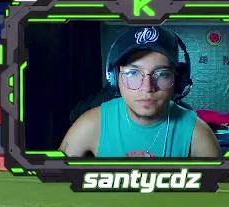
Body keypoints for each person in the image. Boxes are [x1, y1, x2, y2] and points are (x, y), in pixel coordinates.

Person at [59, 26, 218, 158]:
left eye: (162, 74)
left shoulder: (197, 133)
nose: (147, 88)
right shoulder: (90, 124)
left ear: (178, 80)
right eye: (133, 73)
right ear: (115, 78)